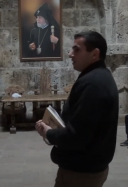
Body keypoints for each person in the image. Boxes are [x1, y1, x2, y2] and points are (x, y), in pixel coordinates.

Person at [35, 31, 118, 187]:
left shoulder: (93, 83)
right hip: (89, 166)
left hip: (81, 172)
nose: (70, 54)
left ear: (95, 54)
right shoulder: (98, 76)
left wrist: (48, 132)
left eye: (77, 49)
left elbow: (77, 136)